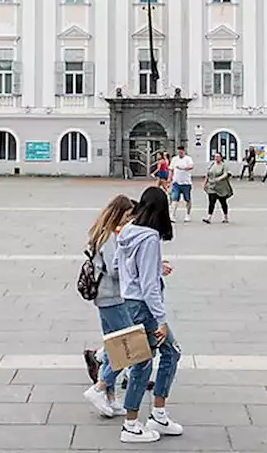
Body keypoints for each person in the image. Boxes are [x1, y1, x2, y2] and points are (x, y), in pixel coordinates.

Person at [115, 186, 183, 443]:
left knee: (167, 353)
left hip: (130, 301)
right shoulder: (150, 237)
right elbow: (149, 286)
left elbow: (118, 267)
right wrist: (162, 320)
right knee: (145, 361)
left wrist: (154, 267)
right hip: (144, 305)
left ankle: (157, 414)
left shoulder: (127, 232)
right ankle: (132, 424)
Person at [82, 194, 137, 418]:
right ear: (118, 214)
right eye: (126, 215)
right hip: (112, 296)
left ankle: (112, 398)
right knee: (128, 347)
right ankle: (100, 388)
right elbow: (115, 270)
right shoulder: (109, 239)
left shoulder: (100, 232)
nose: (128, 220)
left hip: (103, 297)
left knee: (113, 345)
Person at [202, 152, 233, 224]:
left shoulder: (224, 165)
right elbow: (208, 174)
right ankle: (209, 217)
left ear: (221, 157)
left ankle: (225, 217)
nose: (216, 158)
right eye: (215, 157)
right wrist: (204, 183)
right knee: (211, 202)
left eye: (218, 157)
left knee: (223, 202)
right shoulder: (212, 165)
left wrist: (219, 178)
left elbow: (226, 174)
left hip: (221, 187)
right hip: (212, 186)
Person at [168, 145, 194, 223]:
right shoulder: (174, 159)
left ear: (184, 151)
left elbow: (191, 166)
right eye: (178, 152)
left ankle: (187, 214)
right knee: (174, 198)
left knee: (187, 199)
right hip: (176, 182)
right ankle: (172, 215)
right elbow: (171, 170)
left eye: (181, 152)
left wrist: (183, 168)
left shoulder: (188, 159)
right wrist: (169, 179)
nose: (180, 153)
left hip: (186, 183)